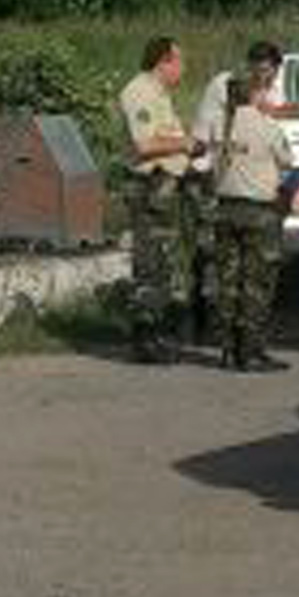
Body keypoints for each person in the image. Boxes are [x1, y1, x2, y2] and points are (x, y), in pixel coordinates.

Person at [212, 49, 296, 371]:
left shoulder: (220, 127)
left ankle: (227, 349)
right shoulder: (267, 126)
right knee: (256, 284)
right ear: (252, 94)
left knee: (228, 281)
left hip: (224, 208)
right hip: (259, 211)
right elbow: (288, 161)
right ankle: (251, 350)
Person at [116, 36, 196, 364]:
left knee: (162, 264)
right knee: (149, 264)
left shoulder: (160, 94)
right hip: (150, 186)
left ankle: (157, 334)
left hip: (165, 187)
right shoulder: (140, 92)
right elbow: (145, 145)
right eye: (179, 61)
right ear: (163, 61)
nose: (183, 68)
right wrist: (184, 145)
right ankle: (145, 339)